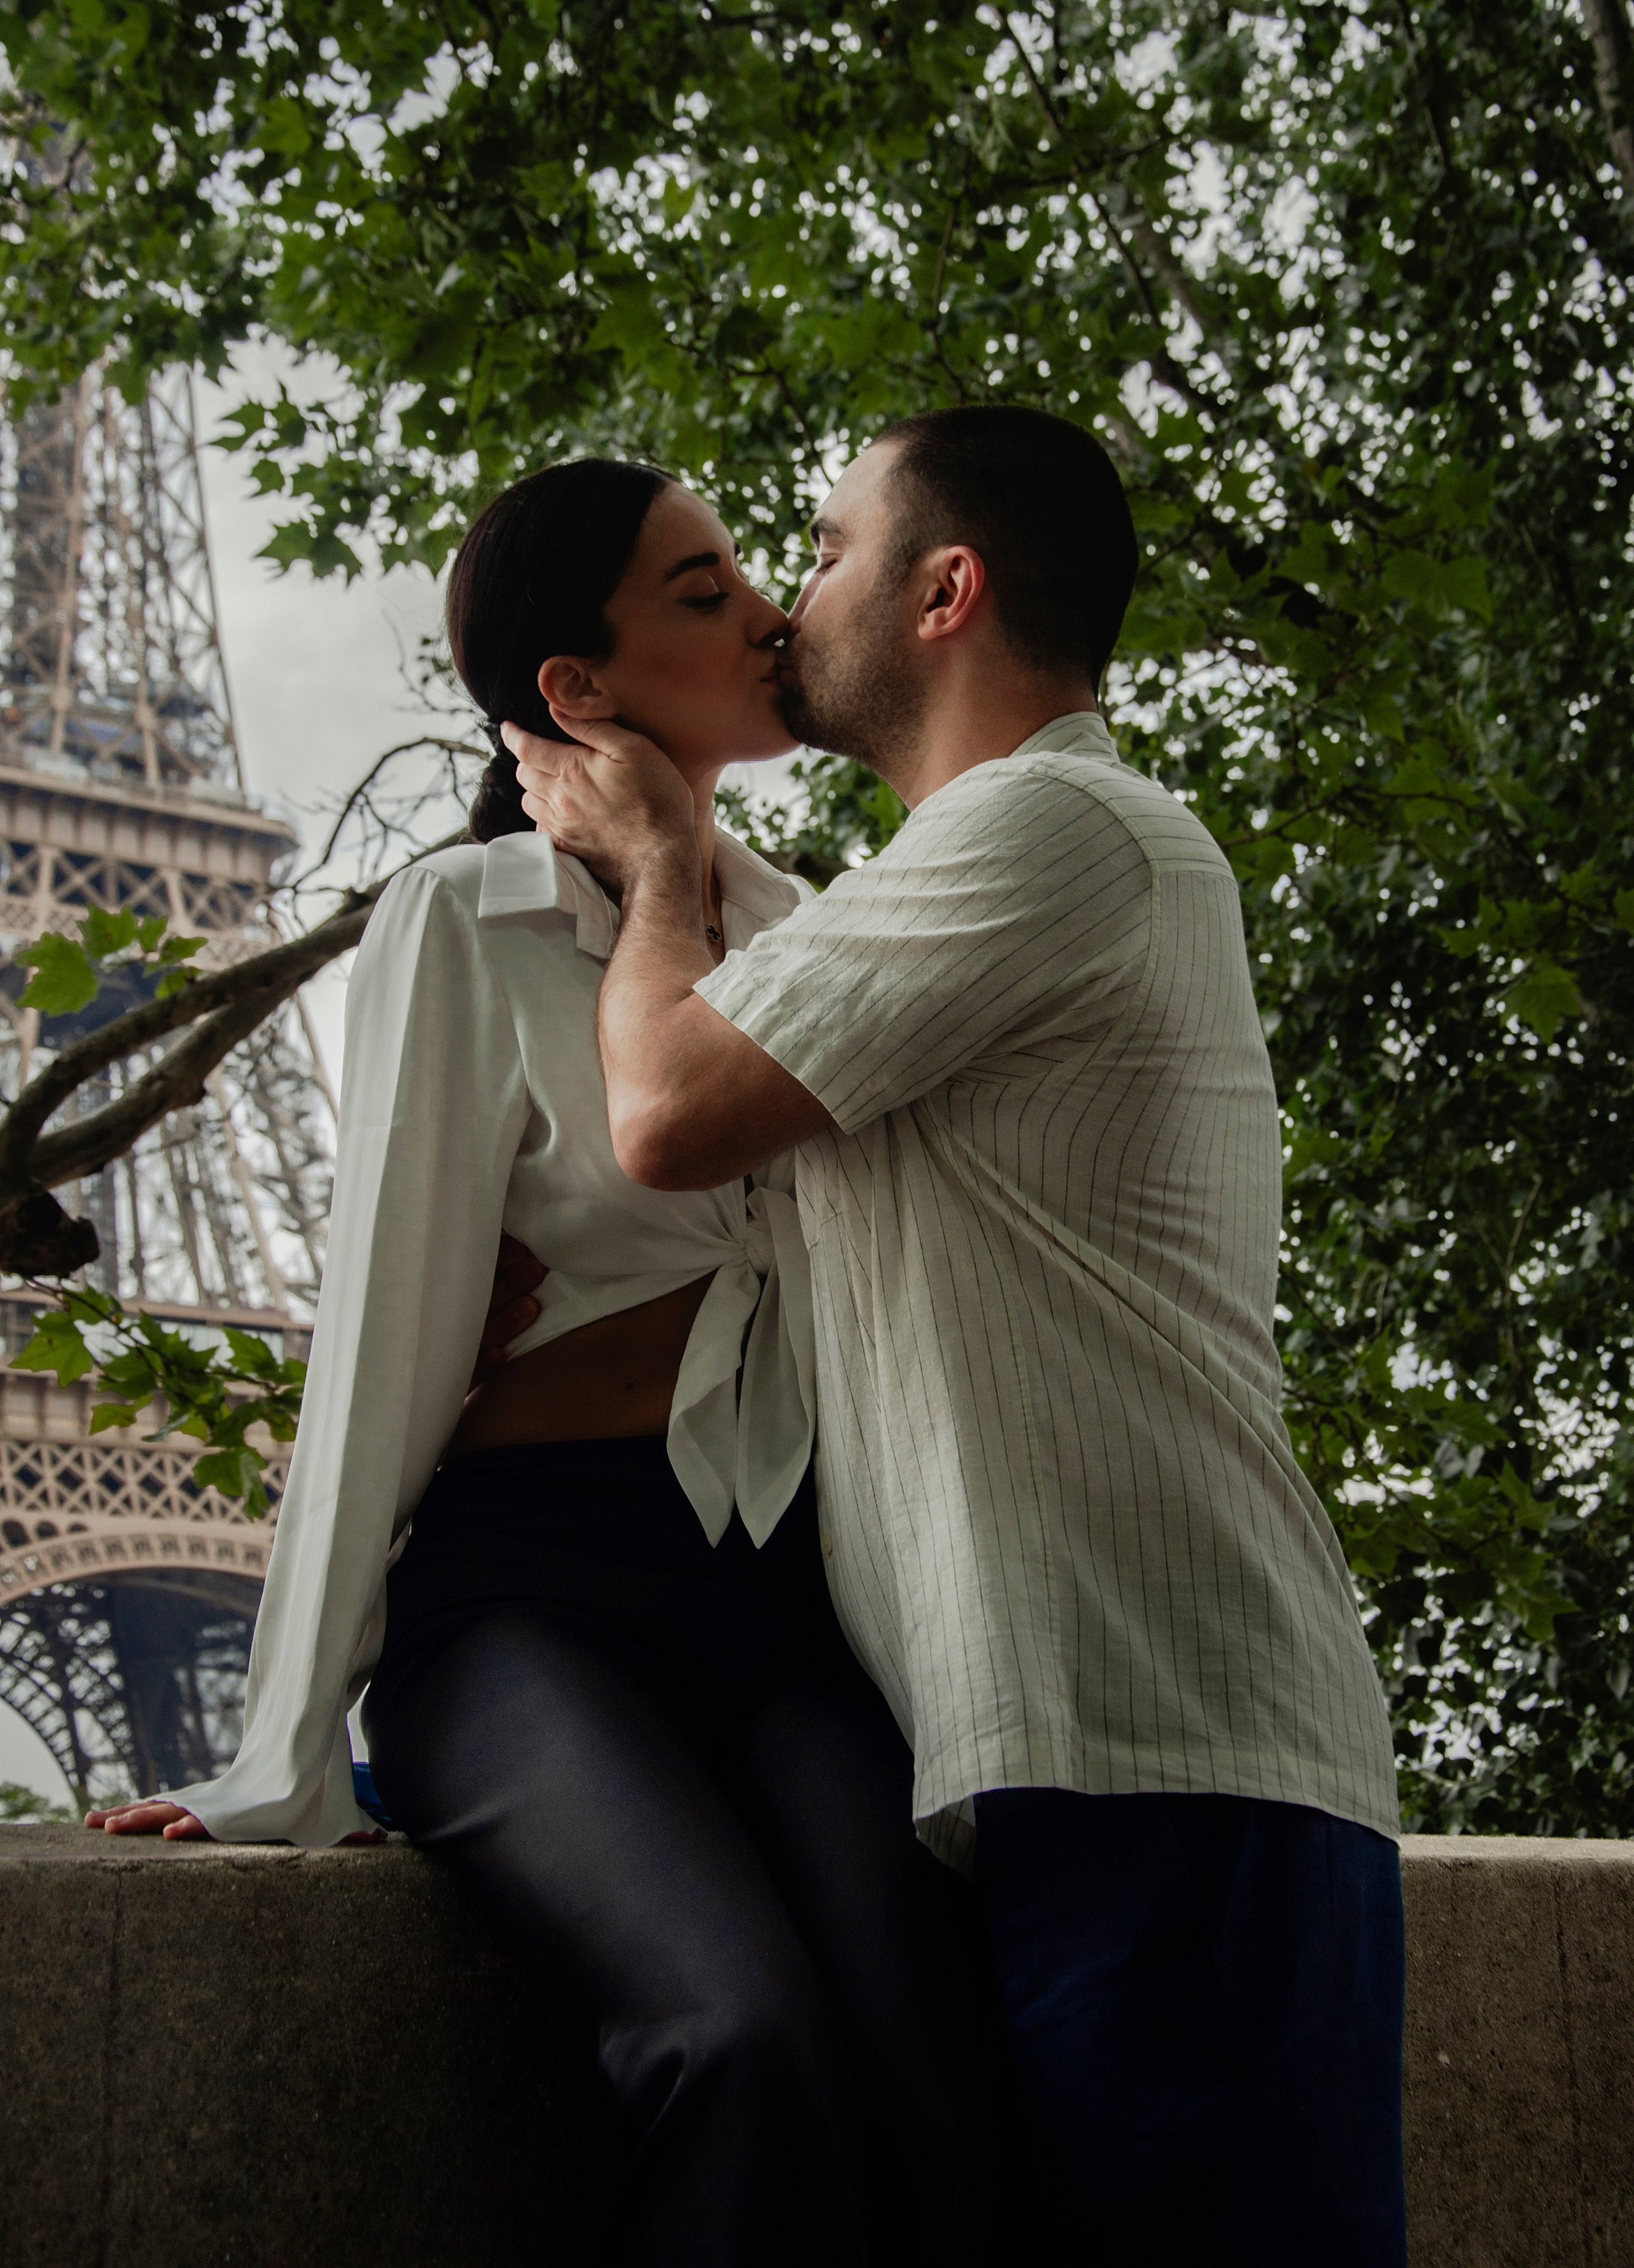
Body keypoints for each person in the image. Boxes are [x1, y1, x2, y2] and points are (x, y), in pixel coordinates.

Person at [503, 404, 1410, 2268]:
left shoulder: (1053, 824)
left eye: (822, 550)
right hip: (1083, 1762)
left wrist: (661, 867)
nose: (783, 599)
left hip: (1166, 1755)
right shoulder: (947, 886)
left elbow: (666, 1112)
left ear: (947, 587)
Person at [82, 458, 998, 2268]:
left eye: (750, 568)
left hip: (789, 1599)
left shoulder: (822, 929)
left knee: (951, 2090)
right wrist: (281, 1754)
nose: (760, 610)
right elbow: (382, 1347)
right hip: (533, 1603)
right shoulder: (467, 924)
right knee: (736, 2041)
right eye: (696, 587)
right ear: (575, 692)